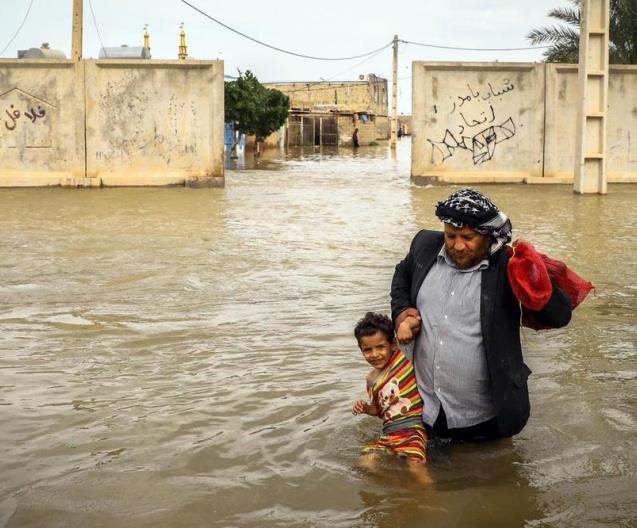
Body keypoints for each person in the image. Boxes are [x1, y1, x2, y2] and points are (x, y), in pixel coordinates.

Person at [391, 188, 572, 442]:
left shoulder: (507, 266)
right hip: (425, 410)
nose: (457, 245)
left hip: (484, 419)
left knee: (490, 474)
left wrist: (534, 274)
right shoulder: (424, 245)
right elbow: (401, 275)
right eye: (450, 235)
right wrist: (401, 314)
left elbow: (559, 316)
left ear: (487, 236)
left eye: (468, 237)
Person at [352, 312, 432, 485]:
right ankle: (393, 485)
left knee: (414, 466)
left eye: (380, 347)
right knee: (365, 463)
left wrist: (405, 325)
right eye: (367, 349)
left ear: (393, 344)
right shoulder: (371, 379)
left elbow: (415, 321)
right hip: (389, 434)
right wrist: (365, 408)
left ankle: (429, 497)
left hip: (413, 429)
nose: (374, 354)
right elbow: (379, 411)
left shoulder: (402, 358)